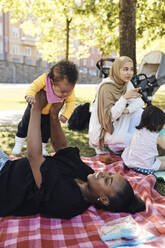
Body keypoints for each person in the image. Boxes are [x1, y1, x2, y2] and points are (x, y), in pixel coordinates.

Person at [0, 91, 145, 218]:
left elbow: (34, 156)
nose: (103, 174)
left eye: (107, 181)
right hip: (6, 164)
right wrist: (54, 116)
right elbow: (62, 148)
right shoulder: (87, 175)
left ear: (104, 199)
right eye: (109, 175)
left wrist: (36, 109)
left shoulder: (68, 199)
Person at [12, 60, 78, 156]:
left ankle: (42, 147)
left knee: (46, 131)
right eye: (63, 91)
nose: (65, 94)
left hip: (48, 114)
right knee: (24, 124)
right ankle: (19, 143)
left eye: (69, 91)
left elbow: (71, 102)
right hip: (34, 106)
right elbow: (34, 86)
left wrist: (65, 115)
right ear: (52, 82)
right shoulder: (44, 79)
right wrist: (29, 95)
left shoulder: (68, 90)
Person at [88, 56, 144, 154]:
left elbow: (139, 102)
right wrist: (124, 98)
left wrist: (126, 110)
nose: (129, 73)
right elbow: (108, 118)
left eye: (131, 70)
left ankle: (116, 145)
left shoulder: (126, 83)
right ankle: (113, 145)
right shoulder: (106, 88)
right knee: (135, 142)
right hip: (102, 129)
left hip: (115, 124)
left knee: (140, 113)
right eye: (125, 69)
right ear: (117, 70)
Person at [122, 105, 165, 175]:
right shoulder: (155, 137)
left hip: (130, 163)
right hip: (144, 168)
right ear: (157, 124)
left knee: (159, 160)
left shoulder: (137, 131)